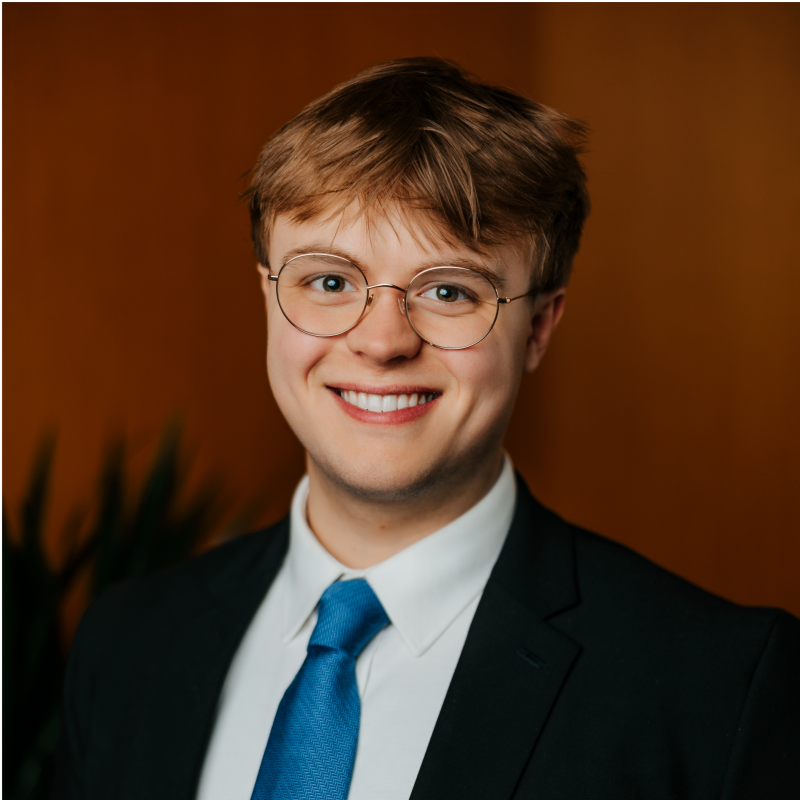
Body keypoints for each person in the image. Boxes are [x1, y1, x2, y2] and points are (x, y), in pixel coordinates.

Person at [53, 58, 799, 800]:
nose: (382, 342)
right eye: (329, 281)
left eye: (448, 291)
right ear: (269, 299)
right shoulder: (126, 642)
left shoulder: (720, 686)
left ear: (539, 328)